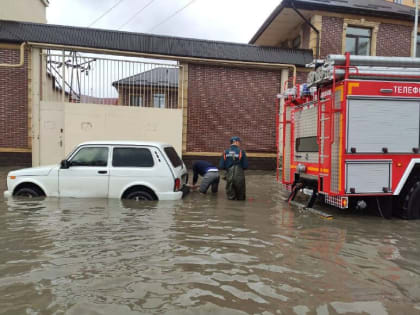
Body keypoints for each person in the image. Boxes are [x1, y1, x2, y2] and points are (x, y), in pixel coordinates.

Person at [219, 136, 248, 200]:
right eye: (239, 142)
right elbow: (245, 166)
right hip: (239, 175)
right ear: (235, 142)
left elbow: (221, 166)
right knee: (241, 196)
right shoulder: (241, 152)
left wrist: (228, 168)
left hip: (229, 174)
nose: (239, 143)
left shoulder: (225, 152)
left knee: (230, 196)